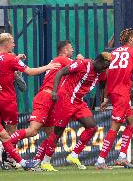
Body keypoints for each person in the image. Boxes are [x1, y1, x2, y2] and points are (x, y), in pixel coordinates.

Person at [9, 40, 83, 171]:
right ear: (65, 50)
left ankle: (38, 162)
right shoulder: (63, 59)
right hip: (45, 97)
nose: (73, 51)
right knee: (33, 131)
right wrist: (80, 59)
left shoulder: (57, 61)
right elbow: (81, 66)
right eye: (71, 48)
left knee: (52, 135)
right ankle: (7, 144)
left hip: (52, 99)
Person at [42, 52, 111, 170]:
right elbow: (60, 72)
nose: (105, 69)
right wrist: (54, 91)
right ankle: (45, 162)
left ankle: (73, 155)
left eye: (107, 67)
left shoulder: (101, 72)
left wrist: (104, 99)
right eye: (104, 66)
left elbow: (104, 84)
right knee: (58, 132)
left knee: (92, 127)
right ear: (98, 61)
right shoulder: (82, 64)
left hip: (78, 101)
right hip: (65, 98)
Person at [95, 28, 133, 169]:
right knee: (115, 126)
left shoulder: (114, 53)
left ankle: (122, 157)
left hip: (117, 93)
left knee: (132, 122)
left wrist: (107, 97)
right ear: (131, 39)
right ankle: (101, 160)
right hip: (121, 95)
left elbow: (109, 77)